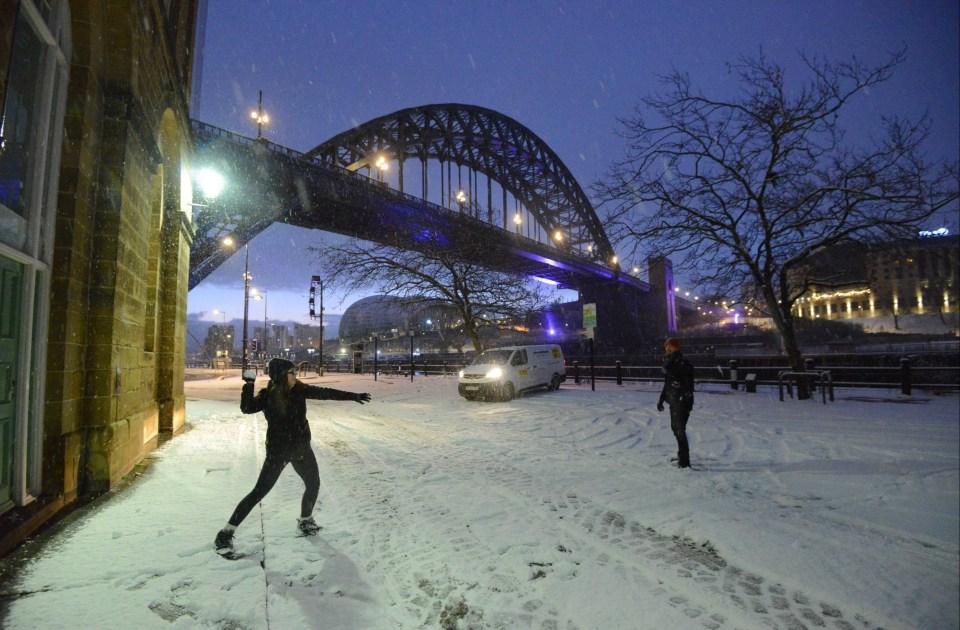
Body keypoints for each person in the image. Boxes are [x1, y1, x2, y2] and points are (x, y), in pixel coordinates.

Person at [214, 357, 371, 554]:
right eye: (291, 372)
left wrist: (353, 396)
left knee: (313, 483)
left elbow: (326, 393)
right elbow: (247, 408)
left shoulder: (299, 389)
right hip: (278, 452)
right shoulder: (267, 395)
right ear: (281, 375)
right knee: (259, 492)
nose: (295, 376)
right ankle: (225, 534)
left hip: (301, 450)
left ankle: (305, 521)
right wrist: (249, 385)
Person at [656, 337, 695, 468]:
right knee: (676, 429)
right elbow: (667, 383)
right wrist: (661, 399)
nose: (667, 349)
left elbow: (688, 383)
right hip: (674, 400)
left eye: (670, 347)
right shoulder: (670, 363)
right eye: (666, 347)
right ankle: (681, 455)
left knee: (680, 430)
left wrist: (684, 396)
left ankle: (685, 461)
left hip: (681, 401)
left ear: (676, 348)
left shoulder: (682, 363)